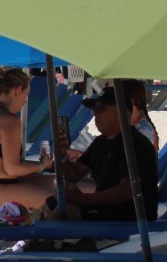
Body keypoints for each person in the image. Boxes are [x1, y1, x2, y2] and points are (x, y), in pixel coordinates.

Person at [56, 85, 158, 220]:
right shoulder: (101, 142)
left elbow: (127, 190)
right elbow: (74, 174)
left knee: (64, 211)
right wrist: (62, 155)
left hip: (131, 216)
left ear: (121, 112)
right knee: (52, 203)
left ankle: (37, 240)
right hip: (106, 209)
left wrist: (84, 199)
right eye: (94, 109)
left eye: (101, 109)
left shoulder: (135, 144)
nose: (95, 113)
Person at [0, 67, 57, 214]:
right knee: (60, 200)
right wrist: (41, 165)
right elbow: (12, 169)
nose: (26, 101)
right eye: (26, 94)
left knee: (63, 184)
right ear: (18, 90)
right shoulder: (8, 120)